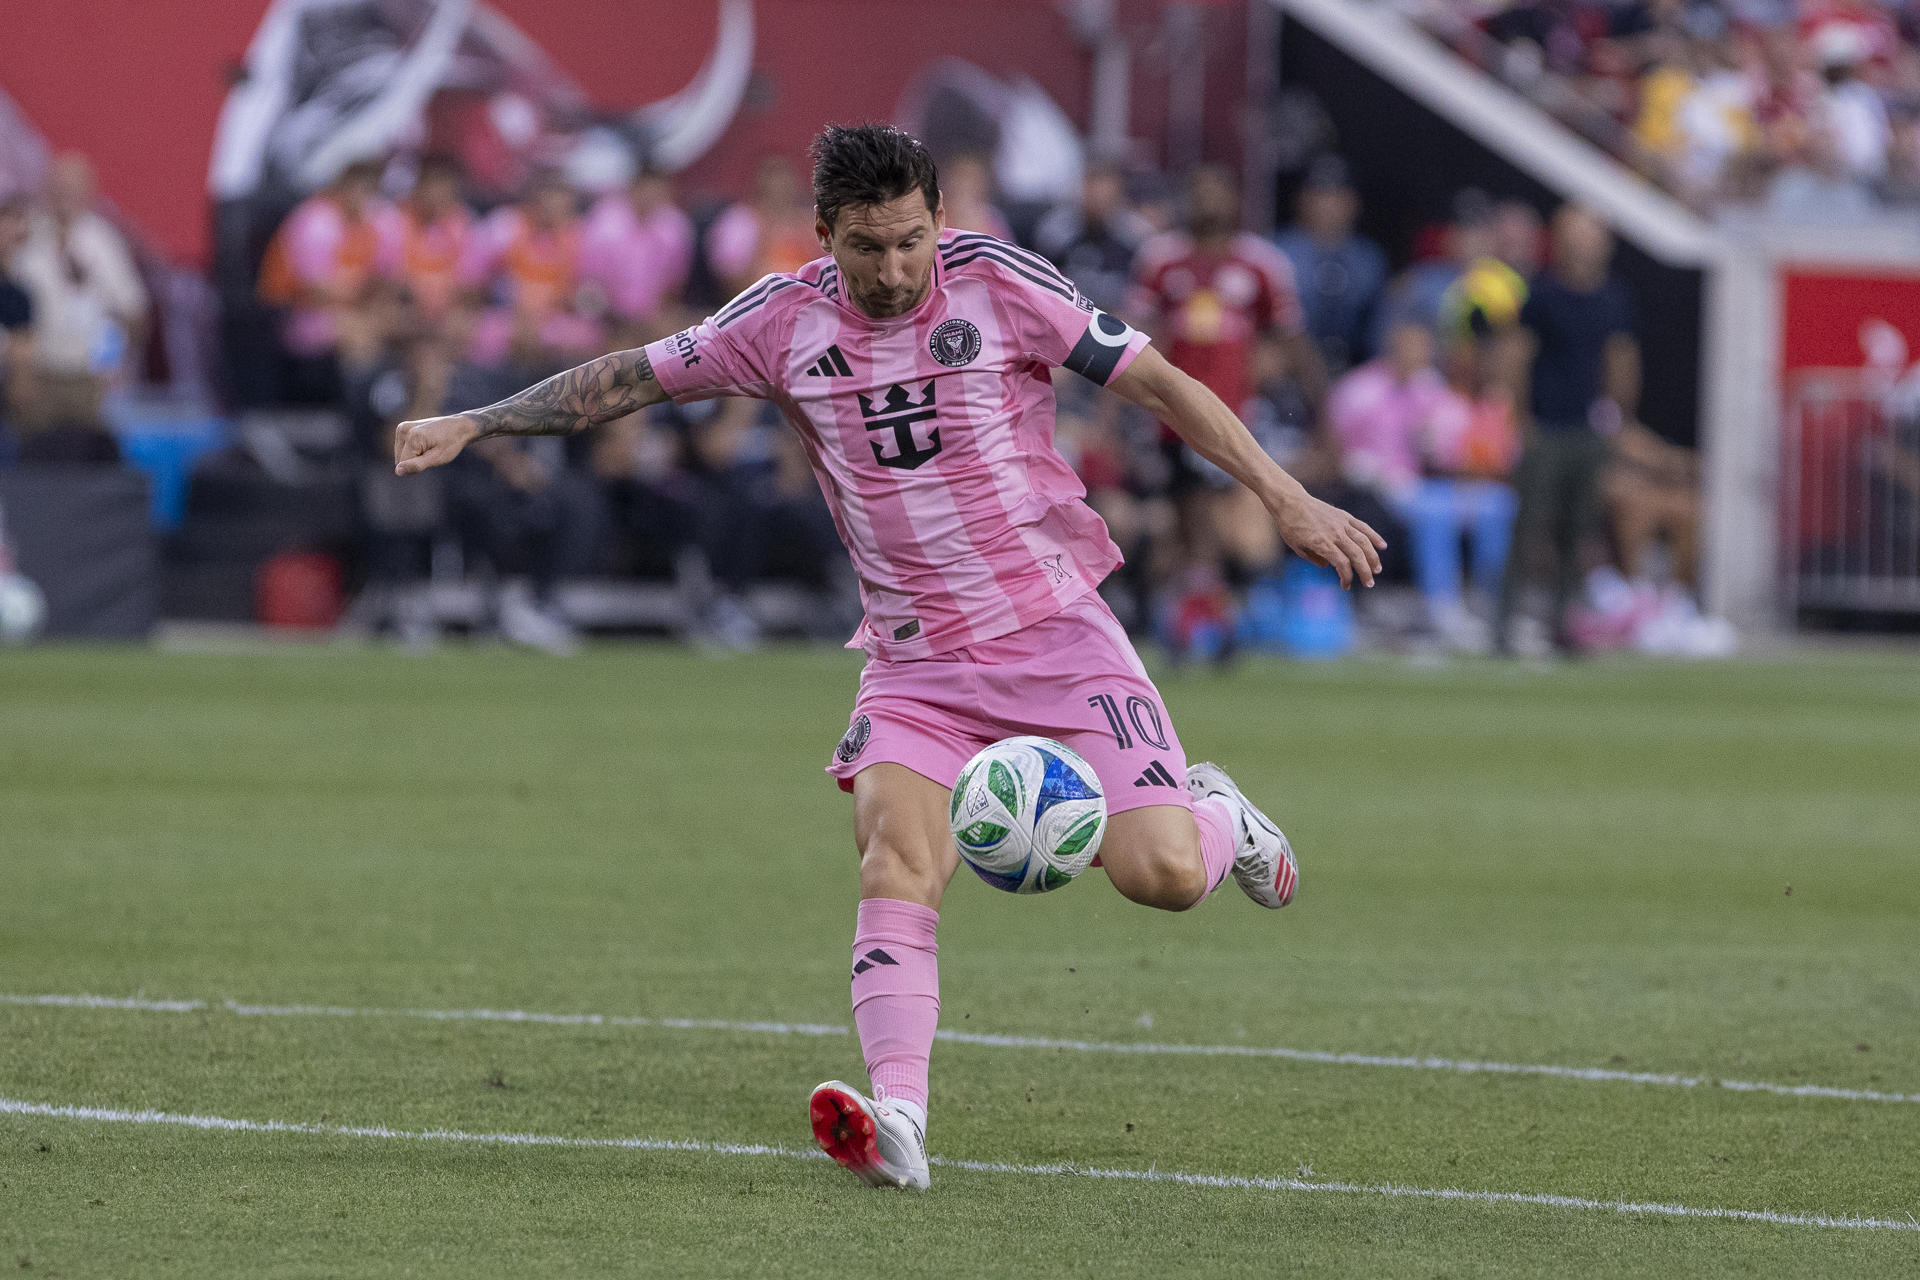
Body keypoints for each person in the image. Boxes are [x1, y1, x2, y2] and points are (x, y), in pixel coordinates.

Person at [391, 123, 1384, 1191]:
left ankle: (1218, 812)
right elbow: (627, 378)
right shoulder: (777, 321)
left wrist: (1286, 496)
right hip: (914, 661)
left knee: (1164, 875)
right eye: (867, 247)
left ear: (939, 222)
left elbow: (1160, 385)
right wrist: (476, 422)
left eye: (911, 241)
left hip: (1056, 631)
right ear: (825, 234)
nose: (894, 269)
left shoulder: (1000, 283)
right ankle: (899, 1115)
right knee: (895, 859)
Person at [1495, 205, 1639, 655]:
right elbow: (1518, 355)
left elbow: (1620, 358)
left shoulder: (1612, 297)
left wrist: (1616, 417)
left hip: (1586, 429)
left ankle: (1565, 623)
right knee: (1529, 527)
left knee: (1578, 532)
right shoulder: (1543, 293)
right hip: (1547, 427)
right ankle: (1503, 626)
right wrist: (1521, 419)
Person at [10, 153, 149, 427]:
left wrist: (116, 364)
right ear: (45, 188)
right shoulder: (23, 235)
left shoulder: (104, 240)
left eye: (73, 187)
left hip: (91, 380)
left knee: (89, 461)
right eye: (59, 186)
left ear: (89, 191)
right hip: (36, 376)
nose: (65, 195)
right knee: (36, 462)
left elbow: (134, 311)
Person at [1273, 156, 1387, 378]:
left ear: (1353, 202)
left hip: (1352, 373)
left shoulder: (1369, 258)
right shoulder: (1278, 251)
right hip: (1289, 372)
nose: (1327, 204)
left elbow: (1377, 332)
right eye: (1319, 195)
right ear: (1301, 199)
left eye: (1336, 195)